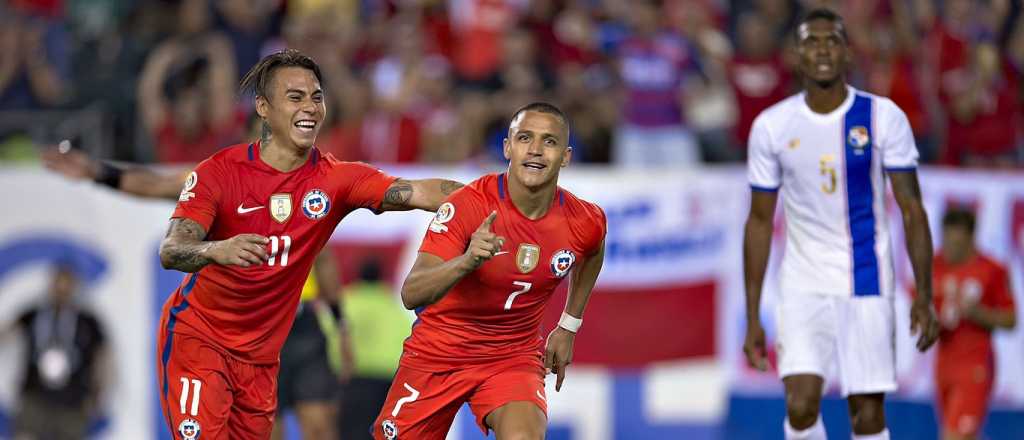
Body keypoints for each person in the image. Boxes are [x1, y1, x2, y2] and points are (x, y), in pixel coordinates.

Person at [154, 49, 461, 440]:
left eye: (316, 96)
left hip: (262, 360)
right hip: (200, 342)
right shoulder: (218, 172)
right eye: (295, 97)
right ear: (263, 108)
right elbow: (172, 249)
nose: (311, 107)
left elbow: (418, 190)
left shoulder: (336, 179)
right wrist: (216, 250)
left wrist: (495, 201)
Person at [43, 120, 353, 439]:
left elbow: (324, 260)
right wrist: (97, 171)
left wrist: (341, 324)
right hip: (247, 329)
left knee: (320, 426)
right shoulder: (220, 181)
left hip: (300, 325)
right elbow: (156, 185)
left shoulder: (304, 188)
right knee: (266, 430)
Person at [742, 9, 939, 440]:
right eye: (812, 42)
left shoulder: (883, 117)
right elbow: (759, 222)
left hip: (866, 279)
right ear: (797, 55)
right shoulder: (772, 127)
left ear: (848, 52)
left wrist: (924, 293)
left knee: (867, 416)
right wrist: (754, 314)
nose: (823, 51)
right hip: (802, 281)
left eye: (832, 41)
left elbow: (913, 210)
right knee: (799, 405)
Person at [373, 102, 607, 439]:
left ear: (566, 156)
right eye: (525, 138)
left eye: (549, 141)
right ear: (507, 147)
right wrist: (466, 261)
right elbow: (412, 293)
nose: (536, 150)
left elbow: (593, 251)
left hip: (512, 356)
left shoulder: (585, 220)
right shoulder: (468, 205)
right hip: (439, 352)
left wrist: (569, 325)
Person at [929, 208, 1016, 440]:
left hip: (975, 365)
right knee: (963, 434)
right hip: (944, 365)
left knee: (954, 436)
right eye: (947, 241)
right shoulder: (934, 266)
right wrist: (934, 322)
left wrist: (977, 313)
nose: (950, 249)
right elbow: (920, 311)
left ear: (971, 239)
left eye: (957, 244)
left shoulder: (992, 270)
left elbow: (1011, 320)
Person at [6, 263, 109, 440]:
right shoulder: (34, 314)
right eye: (58, 285)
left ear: (73, 287)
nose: (61, 291)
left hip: (73, 399)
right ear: (51, 286)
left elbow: (102, 357)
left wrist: (99, 391)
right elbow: (8, 332)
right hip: (35, 396)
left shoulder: (87, 321)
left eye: (66, 286)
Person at [339, 259, 412, 440]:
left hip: (354, 377)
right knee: (382, 433)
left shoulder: (346, 300)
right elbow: (408, 339)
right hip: (387, 381)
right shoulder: (392, 304)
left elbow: (331, 335)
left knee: (351, 432)